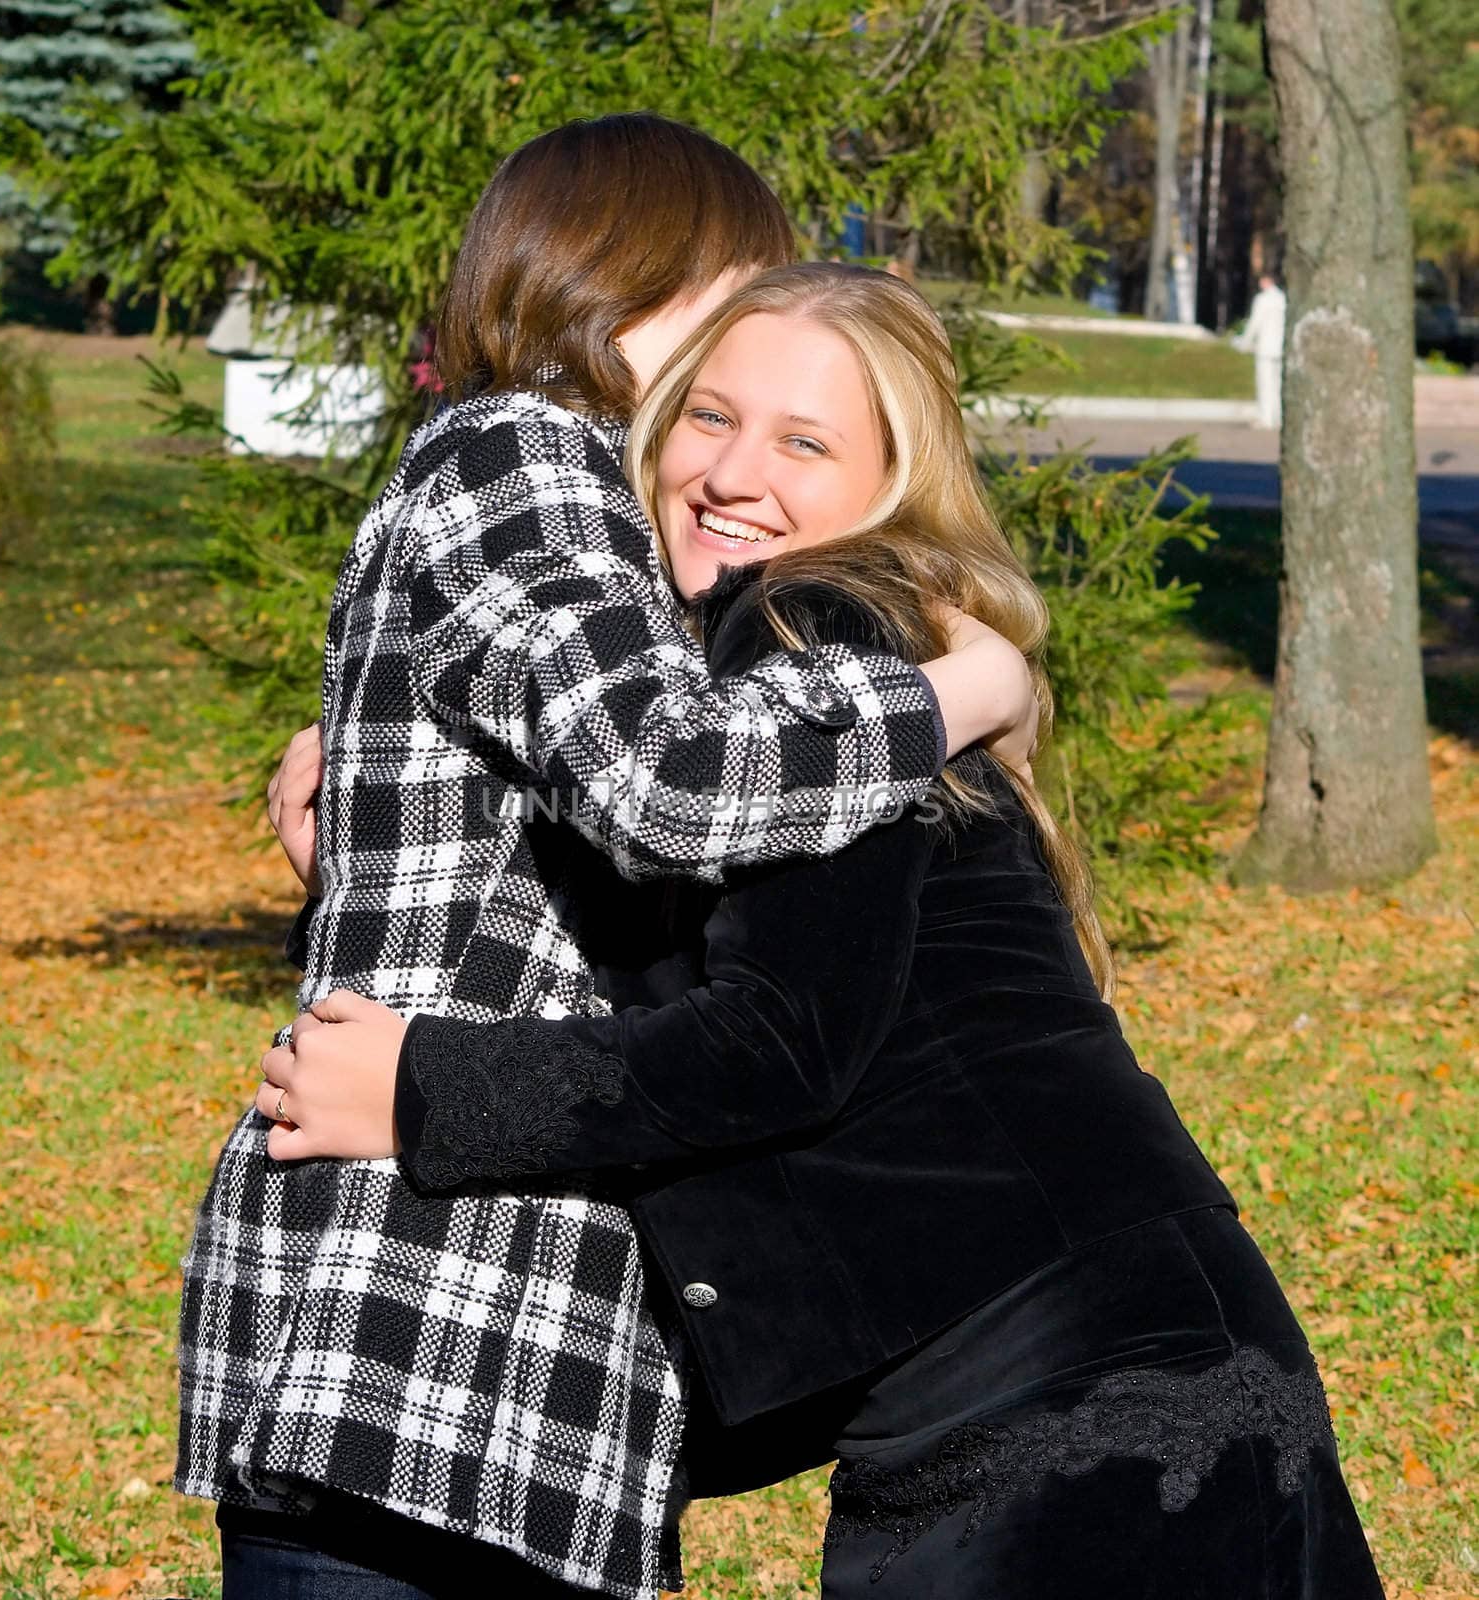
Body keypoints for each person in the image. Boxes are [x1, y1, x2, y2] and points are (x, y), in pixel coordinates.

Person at [261, 263, 1387, 1598]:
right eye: (711, 419)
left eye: (805, 441)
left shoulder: (818, 628)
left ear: (890, 484)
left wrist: (420, 1087)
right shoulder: (744, 696)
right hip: (1048, 1383)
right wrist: (405, 770)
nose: (739, 472)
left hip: (1086, 1400)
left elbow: (776, 1043)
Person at [181, 120, 1037, 1600]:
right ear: (633, 280)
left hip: (485, 1362)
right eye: (732, 302)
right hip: (436, 1333)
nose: (749, 356)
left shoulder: (542, 490)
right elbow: (677, 783)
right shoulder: (532, 452)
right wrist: (969, 688)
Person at [1234, 271, 1287, 430]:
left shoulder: (1262, 300)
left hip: (1265, 346)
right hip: (1280, 347)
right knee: (1277, 384)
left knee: (1264, 383)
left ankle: (1265, 417)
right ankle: (1278, 417)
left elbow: (1255, 323)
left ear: (1266, 281)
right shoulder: (1282, 299)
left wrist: (1245, 342)